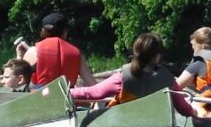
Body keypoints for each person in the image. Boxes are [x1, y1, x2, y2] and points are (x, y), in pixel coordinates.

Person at [69, 32, 197, 117]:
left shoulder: (122, 77)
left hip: (125, 123)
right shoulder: (168, 79)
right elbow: (184, 109)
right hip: (158, 125)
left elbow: (92, 93)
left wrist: (67, 92)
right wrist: (194, 112)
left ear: (136, 52)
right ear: (157, 56)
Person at [16, 12, 97, 88]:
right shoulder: (77, 54)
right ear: (65, 31)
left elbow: (17, 82)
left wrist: (19, 57)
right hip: (66, 97)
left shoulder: (32, 52)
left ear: (43, 31)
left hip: (40, 97)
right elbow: (94, 85)